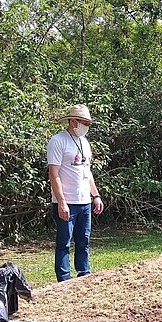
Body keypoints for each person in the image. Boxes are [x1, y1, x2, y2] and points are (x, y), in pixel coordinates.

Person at [48, 104, 105, 282]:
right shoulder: (58, 141)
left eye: (88, 122)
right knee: (64, 243)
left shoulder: (85, 143)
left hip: (84, 202)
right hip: (67, 202)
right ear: (73, 121)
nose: (86, 125)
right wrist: (62, 202)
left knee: (84, 241)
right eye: (83, 122)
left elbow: (87, 173)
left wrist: (95, 195)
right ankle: (64, 280)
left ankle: (84, 274)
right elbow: (53, 173)